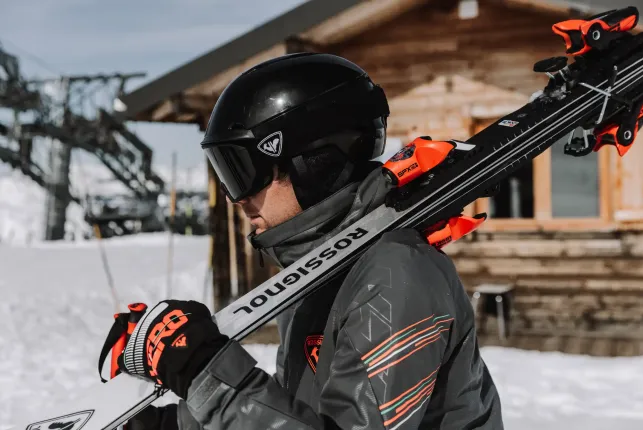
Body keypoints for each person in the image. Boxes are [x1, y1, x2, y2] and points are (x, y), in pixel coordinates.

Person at [114, 52, 504, 430]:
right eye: (226, 174)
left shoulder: (395, 274)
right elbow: (303, 409)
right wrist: (177, 423)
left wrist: (204, 373)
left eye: (244, 171)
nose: (239, 198)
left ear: (313, 163)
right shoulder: (318, 272)